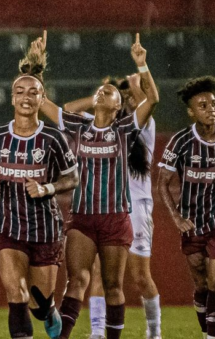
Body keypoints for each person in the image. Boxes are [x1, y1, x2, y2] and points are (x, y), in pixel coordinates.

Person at [32, 31, 159, 339]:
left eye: (110, 92)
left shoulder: (126, 129)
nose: (103, 92)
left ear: (119, 106)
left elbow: (152, 99)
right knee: (76, 281)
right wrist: (36, 66)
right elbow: (42, 102)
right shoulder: (78, 125)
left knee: (114, 285)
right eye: (100, 90)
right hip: (83, 217)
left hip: (116, 218)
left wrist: (142, 66)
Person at [0, 48, 80, 339]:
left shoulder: (53, 138)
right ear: (12, 98)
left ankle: (48, 310)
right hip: (8, 227)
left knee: (38, 305)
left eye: (33, 92)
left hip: (45, 227)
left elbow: (73, 176)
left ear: (40, 99)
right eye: (19, 91)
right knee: (15, 291)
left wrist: (47, 187)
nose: (25, 97)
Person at [64, 75, 162, 339]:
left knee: (140, 276)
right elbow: (69, 111)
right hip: (103, 207)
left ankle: (154, 332)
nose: (128, 99)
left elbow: (149, 102)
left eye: (129, 97)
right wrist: (98, 97)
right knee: (98, 274)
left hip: (137, 207)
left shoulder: (141, 127)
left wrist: (134, 87)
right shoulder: (96, 128)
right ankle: (97, 331)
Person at [157, 76, 215, 339]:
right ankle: (206, 329)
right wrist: (176, 217)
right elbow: (162, 183)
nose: (211, 109)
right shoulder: (180, 141)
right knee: (200, 281)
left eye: (213, 103)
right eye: (203, 105)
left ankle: (213, 337)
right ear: (191, 111)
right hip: (192, 218)